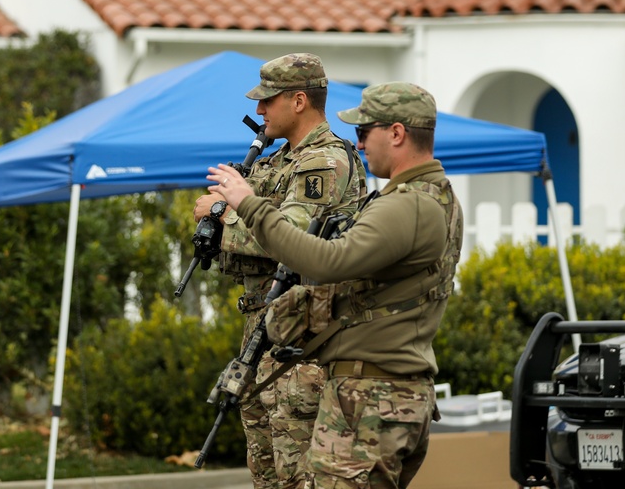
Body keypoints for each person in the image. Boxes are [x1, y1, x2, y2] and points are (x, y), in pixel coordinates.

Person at [208, 82, 464, 489]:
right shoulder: (435, 196)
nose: (358, 144)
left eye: (364, 133)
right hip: (388, 390)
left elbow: (326, 261)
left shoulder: (409, 204)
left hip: (370, 396)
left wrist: (248, 204)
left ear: (396, 133)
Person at [193, 52, 367, 489]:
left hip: (301, 342)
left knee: (300, 476)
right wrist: (224, 216)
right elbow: (241, 237)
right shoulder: (280, 160)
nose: (259, 110)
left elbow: (289, 238)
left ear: (299, 101)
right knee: (267, 473)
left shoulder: (324, 162)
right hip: (261, 330)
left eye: (268, 100)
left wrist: (225, 212)